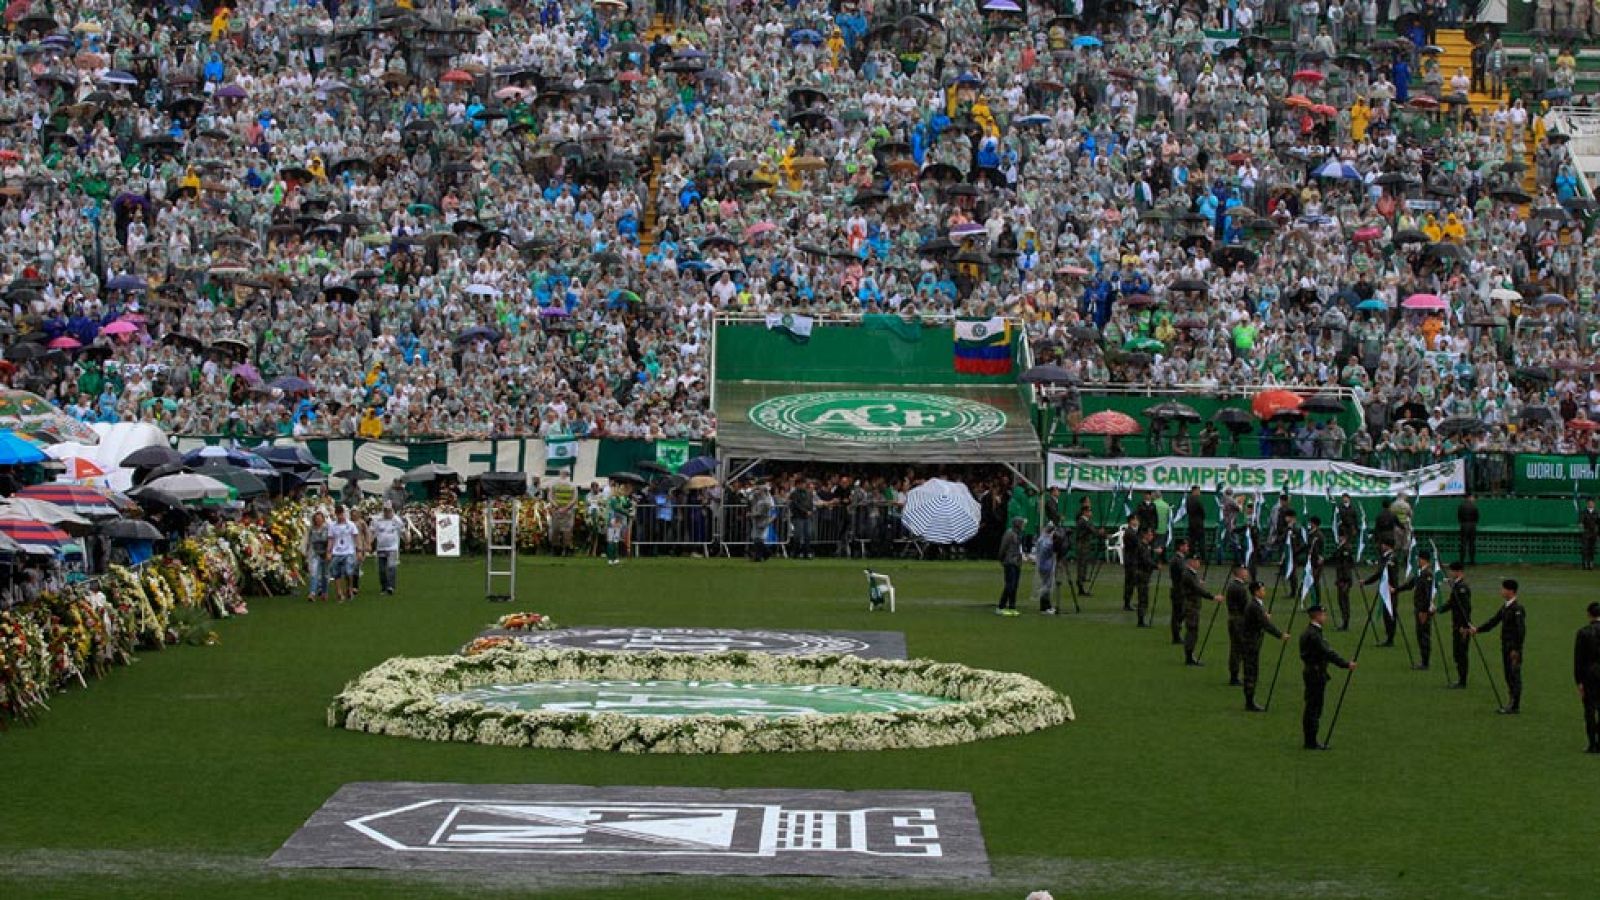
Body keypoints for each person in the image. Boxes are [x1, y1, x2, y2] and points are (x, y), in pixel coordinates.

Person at [1301, 604, 1356, 750]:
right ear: (1317, 616)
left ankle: (1310, 739)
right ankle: (1311, 740)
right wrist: (1345, 664)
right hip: (1316, 673)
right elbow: (1328, 653)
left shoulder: (1310, 632)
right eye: (1323, 614)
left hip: (1312, 671)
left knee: (1312, 706)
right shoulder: (1314, 635)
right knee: (1314, 708)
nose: (1325, 617)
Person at [1470, 579, 1527, 714]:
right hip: (1505, 646)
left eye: (1503, 589)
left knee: (1514, 676)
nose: (1501, 591)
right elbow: (1494, 621)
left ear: (1511, 591)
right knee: (1508, 675)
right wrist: (1478, 629)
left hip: (1513, 649)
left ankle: (1514, 705)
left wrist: (1516, 649)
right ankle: (1511, 702)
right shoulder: (1505, 607)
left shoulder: (1517, 609)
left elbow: (1521, 631)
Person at [1241, 580, 1291, 711]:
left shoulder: (1257, 605)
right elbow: (1266, 625)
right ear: (1256, 592)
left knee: (1252, 670)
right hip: (1250, 643)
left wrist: (1264, 617)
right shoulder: (1254, 606)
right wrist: (1280, 635)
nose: (1264, 591)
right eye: (1262, 590)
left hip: (1252, 642)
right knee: (1251, 671)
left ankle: (1250, 700)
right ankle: (1249, 702)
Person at [1397, 549, 1438, 670]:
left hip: (1422, 610)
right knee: (1420, 635)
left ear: (1423, 559)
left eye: (1419, 559)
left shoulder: (1427, 574)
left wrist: (1424, 611)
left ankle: (1425, 662)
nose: (1418, 561)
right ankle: (1423, 660)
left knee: (1424, 635)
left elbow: (1427, 594)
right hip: (1419, 609)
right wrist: (1396, 590)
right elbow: (1410, 584)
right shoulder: (1421, 573)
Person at [1179, 556, 1218, 666]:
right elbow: (1197, 589)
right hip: (1191, 606)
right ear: (1191, 562)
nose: (1198, 563)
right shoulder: (1188, 574)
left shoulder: (1191, 574)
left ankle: (1190, 655)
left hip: (1193, 605)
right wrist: (1212, 597)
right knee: (1192, 631)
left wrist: (1197, 582)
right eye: (1196, 561)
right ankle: (1189, 656)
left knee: (1193, 631)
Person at [1362, 539, 1402, 647]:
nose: (1381, 546)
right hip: (1386, 588)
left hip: (1390, 589)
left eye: (1383, 544)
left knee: (1390, 613)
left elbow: (1388, 573)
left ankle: (1390, 638)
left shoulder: (1391, 558)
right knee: (1386, 614)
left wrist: (1391, 585)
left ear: (1387, 545)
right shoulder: (1385, 557)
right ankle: (1388, 637)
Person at [1439, 562, 1473, 688]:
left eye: (1452, 571)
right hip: (1457, 624)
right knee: (1457, 653)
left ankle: (1462, 681)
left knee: (1461, 653)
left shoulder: (1461, 587)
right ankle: (1460, 678)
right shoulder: (1457, 586)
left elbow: (1466, 608)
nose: (1450, 573)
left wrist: (1464, 626)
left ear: (1458, 572)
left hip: (1461, 626)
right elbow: (1452, 603)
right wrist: (1439, 610)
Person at [1574, 602, 1600, 753]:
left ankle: (1592, 744)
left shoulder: (1583, 633)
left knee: (1589, 710)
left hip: (1589, 676)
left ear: (1589, 614)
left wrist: (1579, 681)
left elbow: (1579, 659)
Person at [326, 505, 360, 603]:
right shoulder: (332, 525)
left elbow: (356, 537)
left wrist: (359, 550)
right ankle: (339, 592)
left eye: (341, 514)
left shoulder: (351, 525)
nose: (340, 516)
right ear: (336, 514)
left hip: (348, 551)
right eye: (338, 514)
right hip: (337, 552)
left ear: (344, 514)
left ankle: (349, 588)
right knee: (336, 573)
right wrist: (328, 552)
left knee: (348, 572)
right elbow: (330, 539)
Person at [1225, 565, 1251, 686]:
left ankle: (1234, 674)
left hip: (1233, 618)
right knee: (1238, 649)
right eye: (1245, 571)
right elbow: (1245, 607)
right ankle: (1234, 675)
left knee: (1236, 648)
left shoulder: (1233, 586)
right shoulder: (1240, 588)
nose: (1247, 573)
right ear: (1240, 572)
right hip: (1239, 621)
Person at [371, 502, 402, 595]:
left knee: (391, 566)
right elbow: (373, 532)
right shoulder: (377, 520)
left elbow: (402, 530)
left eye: (389, 510)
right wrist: (369, 542)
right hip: (381, 548)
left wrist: (407, 538)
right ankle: (384, 587)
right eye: (385, 510)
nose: (387, 512)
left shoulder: (396, 520)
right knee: (382, 569)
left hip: (392, 547)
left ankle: (390, 586)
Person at [997, 516, 1024, 616]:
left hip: (1017, 562)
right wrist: (1001, 558)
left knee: (1015, 586)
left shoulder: (1018, 534)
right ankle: (1001, 606)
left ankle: (1012, 606)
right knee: (1010, 585)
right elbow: (1003, 547)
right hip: (1010, 562)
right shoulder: (1009, 534)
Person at [1168, 537, 1191, 644]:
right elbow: (1183, 575)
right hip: (1179, 590)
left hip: (1179, 590)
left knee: (1180, 613)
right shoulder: (1178, 560)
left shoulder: (1179, 559)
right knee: (1178, 614)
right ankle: (1176, 635)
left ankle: (1177, 634)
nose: (1187, 548)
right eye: (1186, 546)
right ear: (1181, 547)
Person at [1073, 499, 1099, 595]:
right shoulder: (1082, 521)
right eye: (1089, 511)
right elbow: (1092, 530)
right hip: (1082, 546)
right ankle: (1080, 587)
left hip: (1085, 546)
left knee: (1083, 566)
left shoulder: (1086, 521)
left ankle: (1082, 586)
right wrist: (1101, 533)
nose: (1091, 513)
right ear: (1085, 512)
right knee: (1081, 566)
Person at [547, 478, 578, 556]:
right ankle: (566, 549)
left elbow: (550, 497)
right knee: (567, 530)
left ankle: (556, 549)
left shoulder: (554, 485)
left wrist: (557, 507)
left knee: (555, 530)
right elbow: (574, 498)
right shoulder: (573, 485)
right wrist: (566, 508)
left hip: (557, 510)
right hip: (568, 511)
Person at [1331, 537, 1356, 630]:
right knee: (1341, 600)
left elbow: (1345, 565)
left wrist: (1343, 580)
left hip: (1344, 579)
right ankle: (1344, 621)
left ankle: (1345, 623)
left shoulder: (1346, 548)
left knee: (1343, 601)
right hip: (1341, 578)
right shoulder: (1340, 547)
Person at [605, 484, 634, 566]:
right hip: (613, 520)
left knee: (615, 540)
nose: (621, 491)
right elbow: (617, 508)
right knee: (611, 540)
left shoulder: (618, 499)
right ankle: (610, 559)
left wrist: (630, 504)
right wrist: (628, 514)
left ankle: (615, 559)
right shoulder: (613, 499)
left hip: (617, 521)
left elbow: (624, 505)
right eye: (619, 489)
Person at [305, 510, 329, 602]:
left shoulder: (327, 528)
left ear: (323, 519)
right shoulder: (312, 529)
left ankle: (324, 592)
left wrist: (329, 552)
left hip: (325, 553)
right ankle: (312, 593)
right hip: (315, 554)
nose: (318, 520)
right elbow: (309, 541)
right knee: (314, 573)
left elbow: (330, 540)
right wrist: (307, 552)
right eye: (316, 519)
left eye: (320, 518)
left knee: (325, 574)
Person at [788, 478, 816, 559]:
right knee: (798, 535)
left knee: (808, 535)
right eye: (802, 484)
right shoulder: (794, 493)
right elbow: (796, 504)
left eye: (804, 483)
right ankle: (795, 553)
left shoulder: (809, 493)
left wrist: (810, 510)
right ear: (797, 484)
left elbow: (811, 503)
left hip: (807, 517)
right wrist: (806, 511)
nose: (804, 485)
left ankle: (806, 553)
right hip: (798, 516)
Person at [1035, 523, 1059, 615]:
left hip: (1042, 564)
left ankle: (1046, 606)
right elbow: (1048, 549)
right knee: (1047, 586)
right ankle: (1045, 607)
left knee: (1045, 585)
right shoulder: (1047, 541)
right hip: (1047, 565)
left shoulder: (1041, 539)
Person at [747, 482, 774, 562]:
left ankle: (766, 553)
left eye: (760, 489)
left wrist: (751, 514)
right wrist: (753, 490)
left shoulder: (766, 501)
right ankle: (759, 556)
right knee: (756, 538)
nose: (758, 491)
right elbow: (749, 498)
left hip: (762, 520)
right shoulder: (760, 498)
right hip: (758, 520)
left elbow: (760, 513)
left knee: (758, 538)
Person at [1184, 486, 1207, 560]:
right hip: (1199, 524)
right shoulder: (1197, 500)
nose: (1199, 492)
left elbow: (1187, 510)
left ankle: (1191, 556)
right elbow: (1202, 511)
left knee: (1192, 541)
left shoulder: (1188, 500)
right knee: (1201, 542)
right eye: (1198, 491)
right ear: (1195, 491)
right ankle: (1203, 557)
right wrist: (1201, 518)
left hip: (1191, 523)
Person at [1457, 494, 1479, 566]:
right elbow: (1477, 517)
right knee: (1472, 544)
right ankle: (1472, 560)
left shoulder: (1461, 506)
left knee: (1463, 544)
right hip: (1472, 525)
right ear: (1470, 498)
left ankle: (1462, 561)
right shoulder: (1474, 507)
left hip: (1464, 525)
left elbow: (1459, 516)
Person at [1580, 499, 1599, 570]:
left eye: (1592, 503)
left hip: (1594, 533)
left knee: (1592, 549)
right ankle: (1585, 564)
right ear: (1587, 504)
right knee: (1585, 548)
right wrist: (1581, 524)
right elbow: (1581, 520)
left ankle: (1591, 563)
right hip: (1586, 532)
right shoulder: (1583, 512)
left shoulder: (1597, 512)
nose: (1591, 504)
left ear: (1594, 504)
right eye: (1589, 503)